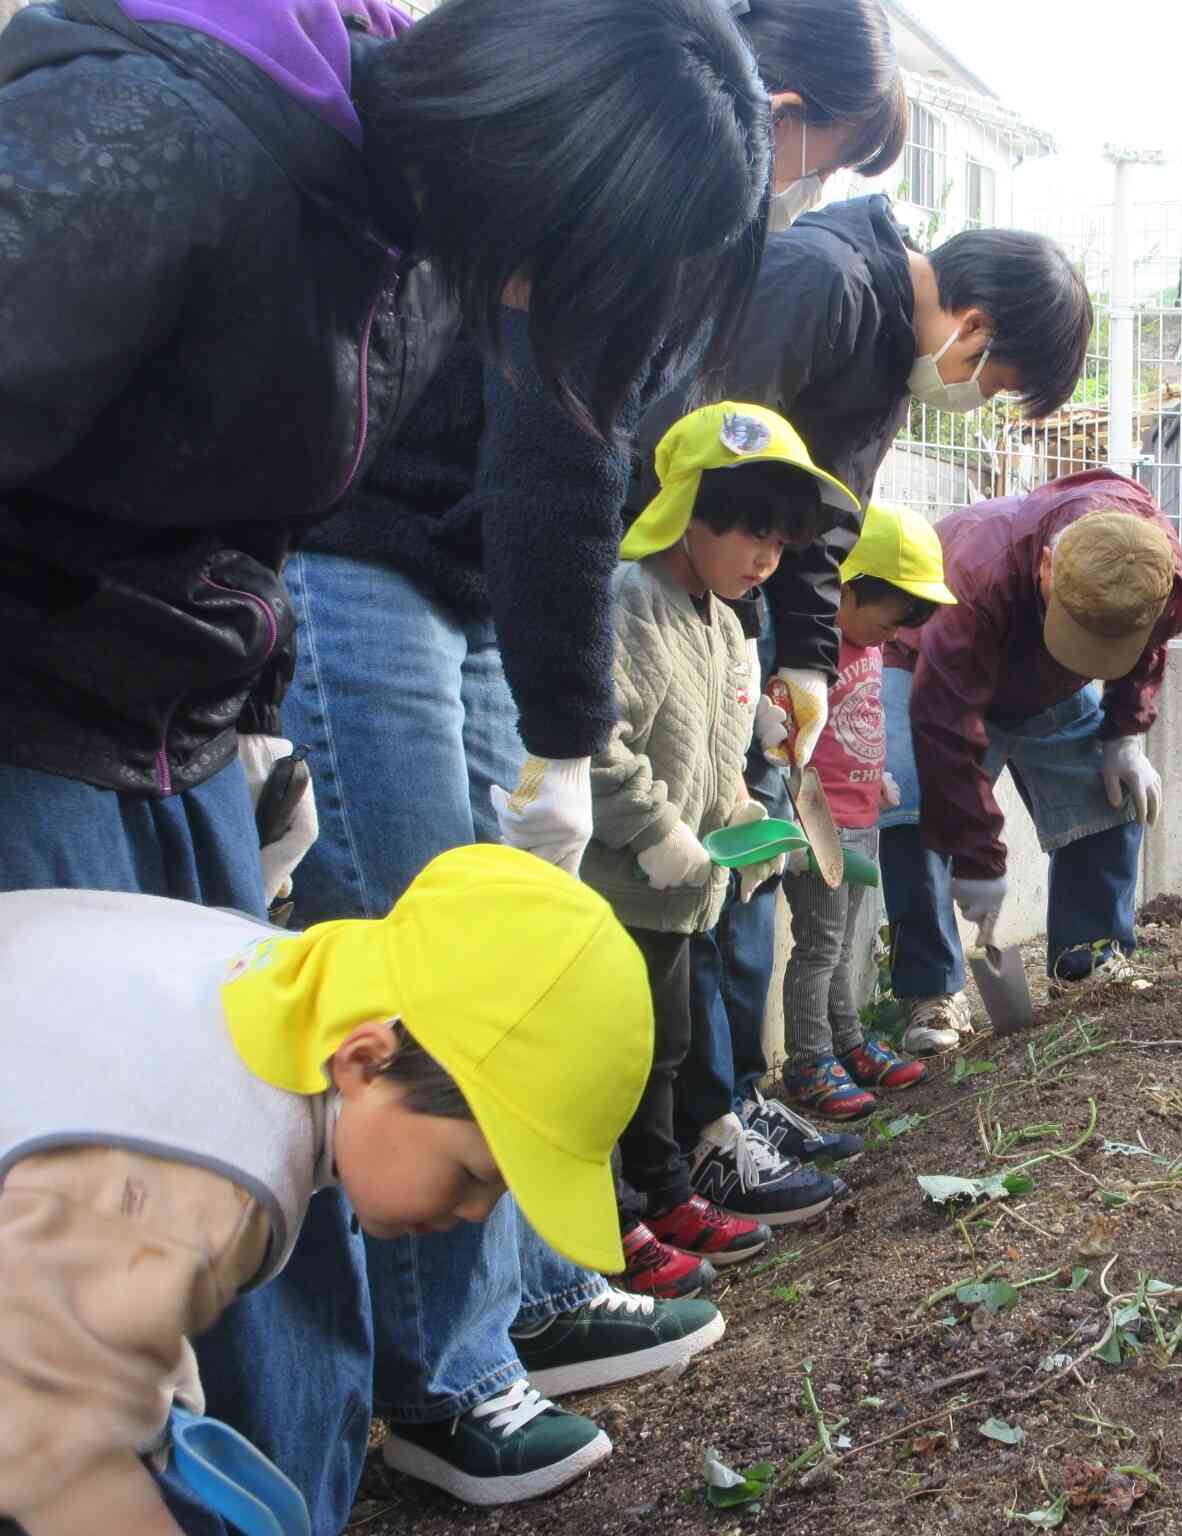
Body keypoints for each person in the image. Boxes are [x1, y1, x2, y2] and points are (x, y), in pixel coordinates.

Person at [0, 0, 776, 1525]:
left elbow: (241, 504)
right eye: (604, 268)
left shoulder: (406, 239)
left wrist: (256, 714)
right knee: (114, 1216)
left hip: (169, 714)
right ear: (548, 177)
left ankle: (287, 1494)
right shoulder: (173, 136)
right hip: (33, 712)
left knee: (254, 1204)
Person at [268, 2, 900, 1508]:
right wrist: (568, 737)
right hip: (364, 566)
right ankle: (442, 1377)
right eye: (818, 155)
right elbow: (560, 440)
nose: (800, 191)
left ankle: (534, 1296)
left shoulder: (639, 178)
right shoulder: (598, 141)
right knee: (434, 984)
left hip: (470, 579)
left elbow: (572, 452)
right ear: (776, 108)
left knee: (505, 978)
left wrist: (546, 715)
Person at [0, 844, 722, 1536]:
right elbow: (45, 1443)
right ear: (367, 1063)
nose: (475, 1212)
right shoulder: (207, 1192)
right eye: (473, 1175)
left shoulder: (266, 975)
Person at [641, 206, 1094, 1060]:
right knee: (710, 863)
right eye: (995, 384)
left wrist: (807, 665)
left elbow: (821, 528)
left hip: (743, 621)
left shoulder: (887, 354)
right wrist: (712, 629)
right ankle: (716, 1097)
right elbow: (701, 452)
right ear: (975, 327)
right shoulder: (825, 282)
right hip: (687, 609)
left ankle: (735, 1091)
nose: (977, 399)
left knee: (753, 857)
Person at [586, 403, 860, 1294]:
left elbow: (720, 751)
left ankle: (665, 1196)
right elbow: (592, 743)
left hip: (681, 896)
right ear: (686, 510)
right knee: (617, 1061)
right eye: (750, 531)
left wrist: (742, 811)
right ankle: (616, 1219)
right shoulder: (632, 603)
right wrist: (658, 833)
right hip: (619, 891)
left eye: (780, 541)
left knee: (665, 1049)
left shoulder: (729, 625)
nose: (766, 558)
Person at [881, 472, 1182, 1013]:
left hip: (1046, 684)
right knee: (916, 808)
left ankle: (1089, 962)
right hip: (929, 672)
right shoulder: (975, 573)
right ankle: (932, 993)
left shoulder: (1155, 565)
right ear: (1047, 565)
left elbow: (1149, 641)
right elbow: (944, 727)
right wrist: (978, 859)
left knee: (1111, 799)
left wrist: (1124, 734)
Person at [779, 503, 954, 1116]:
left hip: (861, 819)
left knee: (846, 941)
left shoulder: (871, 647)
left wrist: (874, 776)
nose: (897, 634)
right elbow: (788, 740)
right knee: (819, 947)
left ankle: (847, 1044)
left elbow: (854, 723)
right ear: (848, 590)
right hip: (818, 822)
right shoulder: (813, 649)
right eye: (892, 618)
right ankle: (809, 1061)